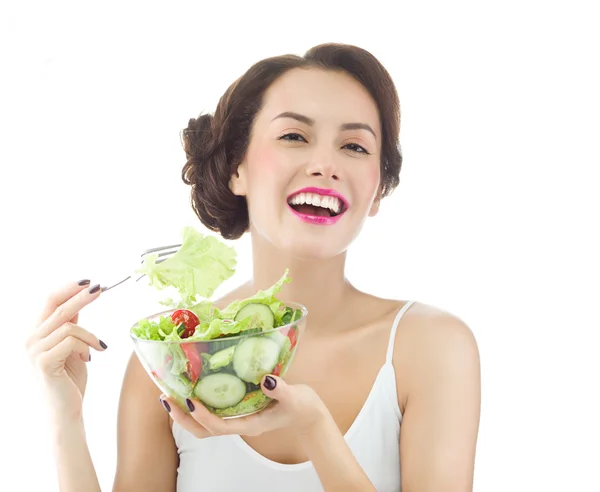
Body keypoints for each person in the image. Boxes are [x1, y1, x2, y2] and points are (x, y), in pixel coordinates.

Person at [26, 43, 481, 491]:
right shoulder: (171, 358)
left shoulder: (432, 348)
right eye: (294, 136)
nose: (325, 165)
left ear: (378, 189)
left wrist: (315, 429)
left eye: (355, 146)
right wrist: (66, 420)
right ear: (235, 169)